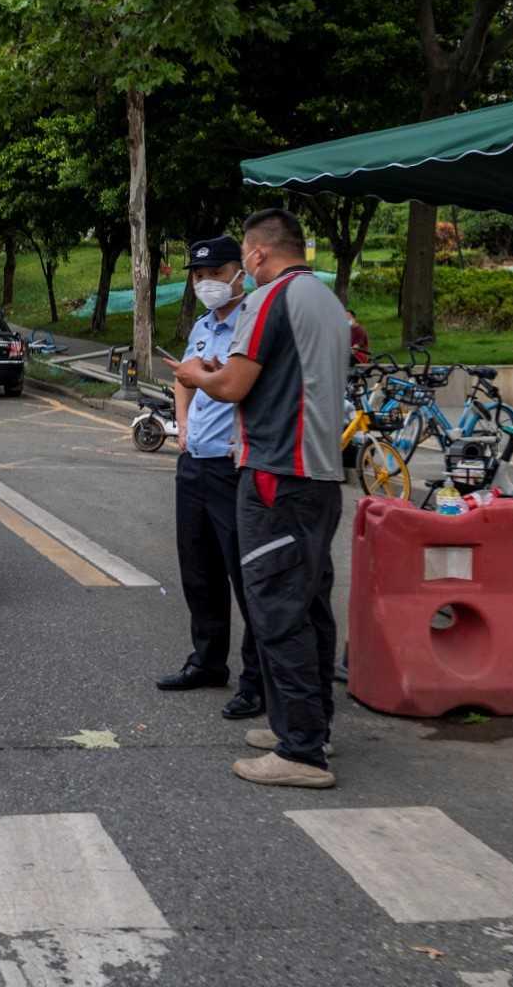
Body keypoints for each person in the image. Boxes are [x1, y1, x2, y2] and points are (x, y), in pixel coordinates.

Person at [169, 208, 347, 790]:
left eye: (243, 256)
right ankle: (309, 726)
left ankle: (301, 751)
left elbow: (236, 386)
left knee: (276, 608)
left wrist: (199, 376)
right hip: (319, 472)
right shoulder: (326, 300)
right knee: (310, 604)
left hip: (276, 471)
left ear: (258, 255)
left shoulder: (271, 299)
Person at [155, 236, 264, 723]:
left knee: (246, 574)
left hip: (232, 465)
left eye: (215, 274)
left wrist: (208, 380)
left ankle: (256, 680)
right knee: (198, 570)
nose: (206, 284)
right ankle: (207, 660)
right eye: (198, 276)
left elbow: (242, 386)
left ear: (238, 272)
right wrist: (182, 428)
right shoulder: (202, 326)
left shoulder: (252, 326)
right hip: (195, 463)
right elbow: (186, 377)